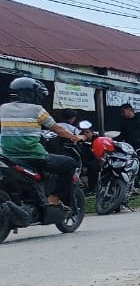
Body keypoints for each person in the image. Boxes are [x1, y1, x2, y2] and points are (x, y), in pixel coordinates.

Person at [0, 77, 83, 206]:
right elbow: (58, 130)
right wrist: (77, 138)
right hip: (33, 156)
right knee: (70, 163)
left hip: (7, 156)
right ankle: (54, 197)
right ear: (31, 94)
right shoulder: (37, 110)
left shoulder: (3, 109)